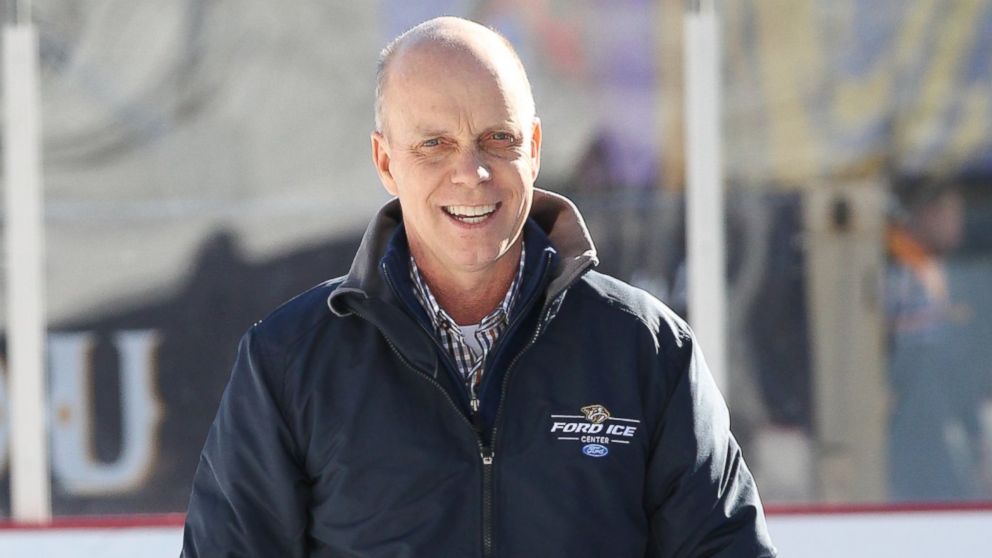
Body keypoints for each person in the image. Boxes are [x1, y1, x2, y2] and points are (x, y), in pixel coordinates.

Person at [181, 16, 776, 557]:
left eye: (498, 138)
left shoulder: (645, 350)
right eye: (434, 144)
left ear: (535, 149)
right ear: (386, 162)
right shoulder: (289, 363)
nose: (472, 173)